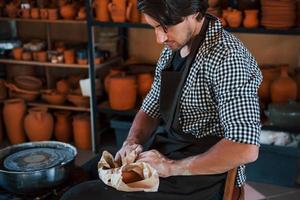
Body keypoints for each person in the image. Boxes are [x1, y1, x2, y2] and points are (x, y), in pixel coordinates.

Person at [62, 0, 262, 200]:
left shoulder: (227, 57)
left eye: (165, 27)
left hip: (200, 174)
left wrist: (171, 167)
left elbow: (245, 147)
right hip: (169, 150)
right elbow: (150, 109)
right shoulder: (173, 48)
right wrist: (131, 142)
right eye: (155, 27)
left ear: (193, 12)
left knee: (79, 196)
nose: (159, 38)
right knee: (84, 172)